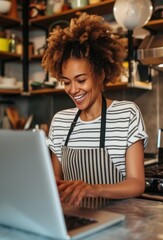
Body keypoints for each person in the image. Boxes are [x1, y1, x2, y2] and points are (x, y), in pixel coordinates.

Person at [42, 13, 148, 206]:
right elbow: (54, 184)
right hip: (75, 220)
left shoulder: (127, 114)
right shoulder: (60, 121)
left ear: (100, 75)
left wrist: (94, 189)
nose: (73, 90)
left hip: (118, 222)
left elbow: (137, 184)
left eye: (81, 80)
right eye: (66, 82)